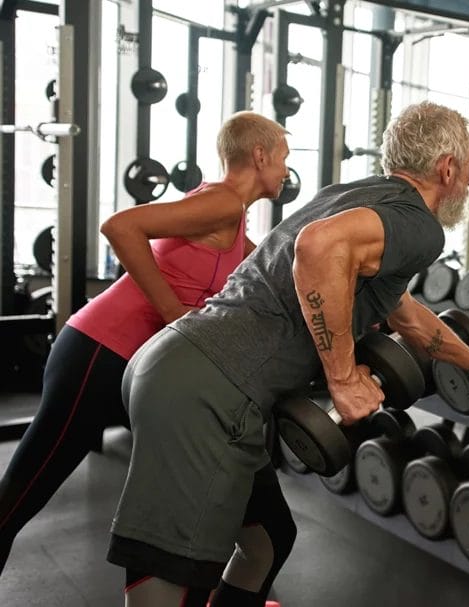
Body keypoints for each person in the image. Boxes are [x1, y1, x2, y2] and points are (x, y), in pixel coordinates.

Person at [105, 101, 469, 606]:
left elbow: (407, 316)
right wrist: (344, 375)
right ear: (447, 168)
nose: (468, 183)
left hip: (180, 368)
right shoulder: (418, 225)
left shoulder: (354, 198)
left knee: (267, 539)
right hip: (206, 393)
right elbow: (316, 247)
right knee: (173, 573)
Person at [0, 111, 288, 576]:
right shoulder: (223, 205)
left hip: (128, 364)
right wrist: (176, 315)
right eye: (283, 159)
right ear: (260, 155)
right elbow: (120, 226)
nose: (285, 171)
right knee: (21, 494)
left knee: (257, 520)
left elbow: (270, 268)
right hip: (96, 352)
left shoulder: (230, 220)